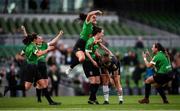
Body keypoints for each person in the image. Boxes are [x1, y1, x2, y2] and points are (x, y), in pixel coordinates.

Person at [21, 26, 63, 103]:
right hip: (37, 64)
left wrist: (59, 35)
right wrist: (24, 30)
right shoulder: (33, 45)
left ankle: (39, 93)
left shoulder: (44, 45)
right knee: (41, 83)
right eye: (39, 38)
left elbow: (53, 41)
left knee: (44, 84)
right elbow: (27, 37)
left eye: (41, 38)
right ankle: (40, 98)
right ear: (36, 40)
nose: (41, 38)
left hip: (43, 65)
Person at [65, 10, 102, 74]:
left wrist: (98, 41)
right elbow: (89, 14)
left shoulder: (94, 28)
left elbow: (96, 37)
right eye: (93, 17)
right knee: (82, 58)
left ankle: (100, 70)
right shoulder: (87, 24)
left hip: (87, 45)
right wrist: (96, 11)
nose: (95, 18)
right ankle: (70, 68)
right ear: (89, 18)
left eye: (95, 18)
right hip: (80, 44)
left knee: (97, 56)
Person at [82, 26, 104, 104]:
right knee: (93, 80)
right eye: (102, 33)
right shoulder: (90, 41)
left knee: (98, 81)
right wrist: (93, 61)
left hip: (94, 61)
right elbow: (86, 52)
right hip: (88, 62)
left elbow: (93, 51)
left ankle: (92, 98)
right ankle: (92, 99)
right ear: (98, 33)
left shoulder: (96, 41)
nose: (103, 34)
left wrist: (99, 56)